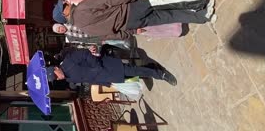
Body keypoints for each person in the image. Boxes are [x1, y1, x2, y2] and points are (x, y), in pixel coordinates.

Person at [52, 0, 216, 39]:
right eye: (63, 5)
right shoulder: (82, 7)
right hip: (131, 10)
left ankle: (202, 17)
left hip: (131, 24)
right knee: (166, 2)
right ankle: (201, 4)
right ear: (64, 13)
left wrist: (131, 31)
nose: (66, 2)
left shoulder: (84, 29)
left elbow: (110, 36)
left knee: (168, 17)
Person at [46, 48, 177, 86]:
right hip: (107, 77)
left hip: (107, 67)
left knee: (133, 70)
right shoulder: (68, 79)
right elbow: (87, 79)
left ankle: (161, 74)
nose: (57, 79)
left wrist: (96, 67)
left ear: (56, 69)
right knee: (132, 75)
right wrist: (104, 83)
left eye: (55, 76)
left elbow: (85, 53)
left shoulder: (68, 60)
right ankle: (151, 67)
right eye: (55, 80)